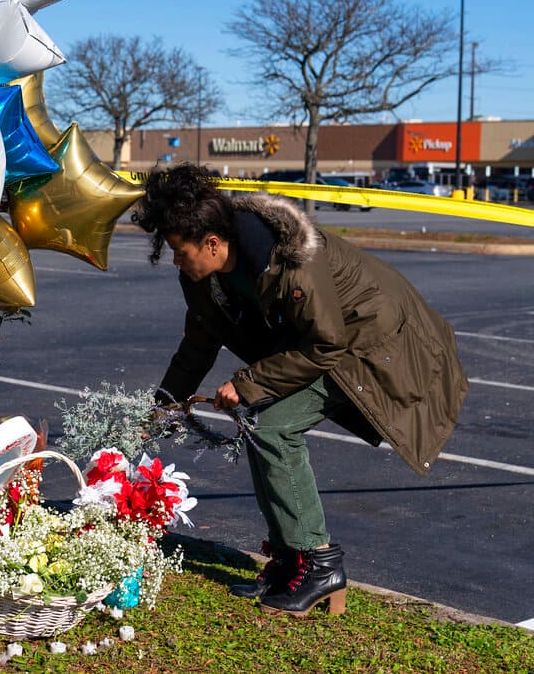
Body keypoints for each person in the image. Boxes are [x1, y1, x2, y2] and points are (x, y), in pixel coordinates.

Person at [132, 164, 468, 617]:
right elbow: (198, 342)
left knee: (272, 426)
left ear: (211, 243)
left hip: (372, 343)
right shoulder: (204, 277)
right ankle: (292, 559)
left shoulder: (291, 261)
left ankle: (319, 563)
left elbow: (327, 342)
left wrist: (248, 383)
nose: (175, 260)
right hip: (323, 343)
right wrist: (163, 407)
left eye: (179, 251)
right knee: (259, 424)